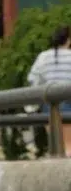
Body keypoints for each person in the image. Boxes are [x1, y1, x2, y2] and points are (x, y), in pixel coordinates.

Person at [28, 25, 71, 154]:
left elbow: (33, 79)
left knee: (55, 144)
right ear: (68, 40)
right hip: (69, 102)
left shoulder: (43, 57)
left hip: (48, 105)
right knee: (69, 145)